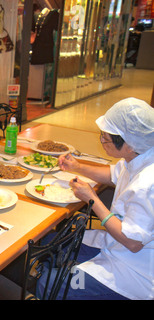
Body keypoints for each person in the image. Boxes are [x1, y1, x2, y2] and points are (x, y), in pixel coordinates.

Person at [39, 97, 153, 300]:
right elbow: (112, 174)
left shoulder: (147, 183)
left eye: (106, 138)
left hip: (133, 271)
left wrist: (92, 199)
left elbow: (133, 242)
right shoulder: (139, 156)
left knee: (50, 284)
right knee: (48, 245)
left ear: (128, 144)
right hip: (114, 247)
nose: (101, 140)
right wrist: (77, 167)